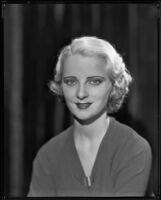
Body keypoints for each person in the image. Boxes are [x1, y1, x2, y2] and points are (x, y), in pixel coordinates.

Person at [28, 36, 152, 197]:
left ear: (113, 86)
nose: (81, 93)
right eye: (71, 82)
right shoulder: (47, 156)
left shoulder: (133, 148)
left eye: (94, 82)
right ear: (61, 87)